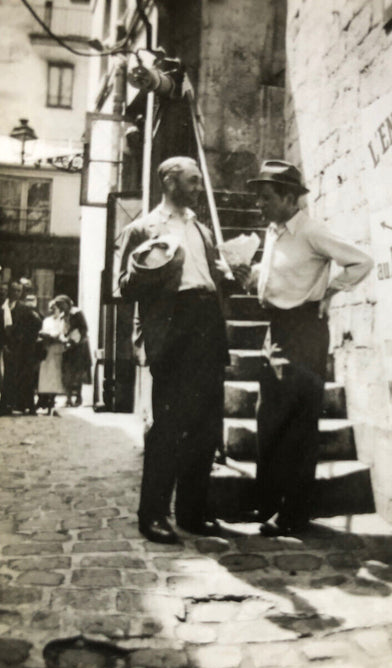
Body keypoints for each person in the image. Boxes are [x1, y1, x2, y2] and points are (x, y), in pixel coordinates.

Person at [235, 159, 373, 536]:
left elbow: (362, 261)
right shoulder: (274, 231)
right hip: (276, 330)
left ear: (289, 197)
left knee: (297, 425)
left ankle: (293, 513)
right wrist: (249, 280)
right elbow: (275, 283)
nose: (259, 205)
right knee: (269, 419)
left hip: (303, 333)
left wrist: (329, 291)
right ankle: (268, 501)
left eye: (266, 198)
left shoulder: (312, 230)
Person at [118, 156, 228, 543]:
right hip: (174, 327)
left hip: (208, 325)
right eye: (193, 181)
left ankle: (192, 512)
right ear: (169, 182)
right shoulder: (143, 228)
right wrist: (149, 265)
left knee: (205, 425)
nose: (199, 187)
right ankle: (152, 515)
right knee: (167, 426)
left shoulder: (201, 227)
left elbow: (210, 275)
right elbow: (124, 288)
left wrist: (232, 273)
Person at [0, 281, 42, 415]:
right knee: (7, 376)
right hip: (6, 346)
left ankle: (25, 405)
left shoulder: (24, 308)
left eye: (19, 291)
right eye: (14, 290)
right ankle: (6, 405)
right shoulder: (3, 307)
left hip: (21, 348)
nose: (16, 293)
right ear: (9, 291)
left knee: (23, 375)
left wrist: (26, 339)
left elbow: (37, 323)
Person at [55, 295, 92, 407]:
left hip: (79, 346)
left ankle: (78, 397)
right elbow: (61, 329)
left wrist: (75, 338)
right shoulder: (62, 316)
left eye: (62, 304)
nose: (61, 307)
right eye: (59, 305)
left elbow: (84, 329)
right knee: (67, 373)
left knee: (78, 373)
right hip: (67, 347)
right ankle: (68, 397)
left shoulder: (76, 313)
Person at [36, 299, 65, 415]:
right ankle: (45, 400)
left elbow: (63, 333)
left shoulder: (62, 321)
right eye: (52, 308)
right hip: (48, 350)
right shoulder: (47, 320)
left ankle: (52, 401)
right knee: (46, 376)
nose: (53, 310)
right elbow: (43, 332)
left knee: (56, 376)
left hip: (58, 350)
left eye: (56, 308)